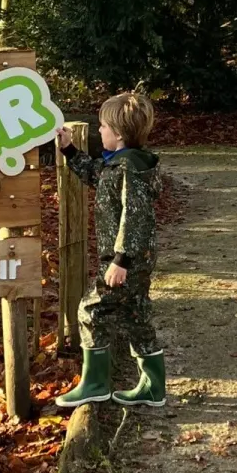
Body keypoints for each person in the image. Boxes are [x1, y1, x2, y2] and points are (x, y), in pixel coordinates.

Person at [55, 90, 165, 409]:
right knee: (136, 314)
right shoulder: (120, 163)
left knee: (90, 310)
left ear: (117, 133)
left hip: (128, 261)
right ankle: (153, 386)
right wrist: (69, 150)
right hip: (136, 260)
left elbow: (136, 214)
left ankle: (95, 383)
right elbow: (96, 177)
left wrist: (121, 260)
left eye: (102, 126)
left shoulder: (129, 168)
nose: (98, 130)